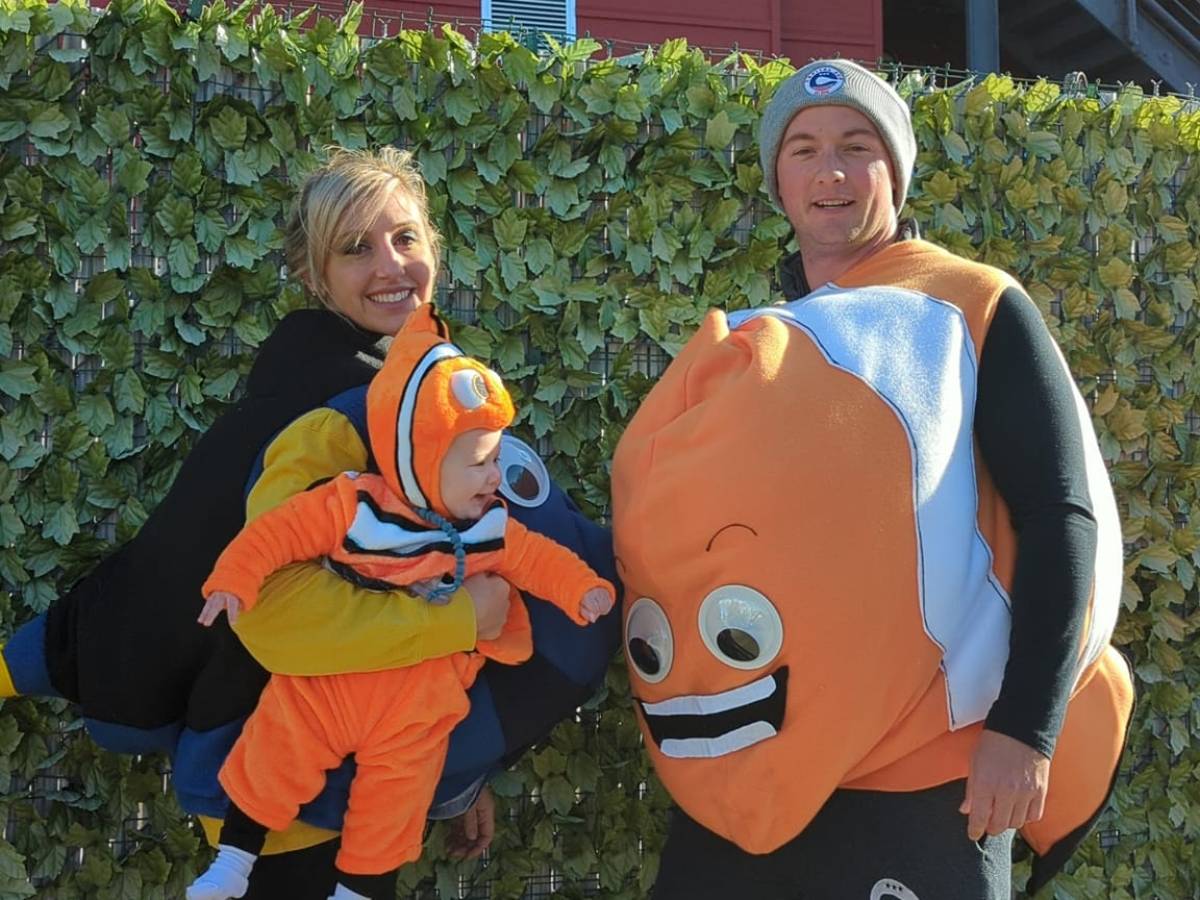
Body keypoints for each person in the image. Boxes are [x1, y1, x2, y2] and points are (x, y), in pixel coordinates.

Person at [0, 147, 620, 898]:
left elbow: (430, 557)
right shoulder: (328, 411)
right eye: (355, 249)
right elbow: (275, 613)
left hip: (352, 756)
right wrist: (460, 622)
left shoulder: (415, 390)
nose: (389, 265)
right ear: (313, 276)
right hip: (278, 772)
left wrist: (457, 774)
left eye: (404, 239)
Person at [610, 60, 1134, 899]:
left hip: (925, 780)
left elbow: (1062, 515)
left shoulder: (974, 304)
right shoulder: (766, 341)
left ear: (897, 167)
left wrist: (1026, 732)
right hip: (756, 773)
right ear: (778, 178)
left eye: (859, 147)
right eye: (805, 149)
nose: (832, 173)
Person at [187, 304, 615, 900]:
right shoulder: (356, 505)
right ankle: (232, 864)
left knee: (394, 805)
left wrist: (582, 589)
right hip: (333, 683)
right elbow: (277, 532)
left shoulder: (488, 525)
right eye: (479, 463)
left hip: (417, 704)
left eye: (496, 459)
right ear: (422, 463)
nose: (494, 478)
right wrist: (233, 577)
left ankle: (359, 892)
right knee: (275, 751)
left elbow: (536, 558)